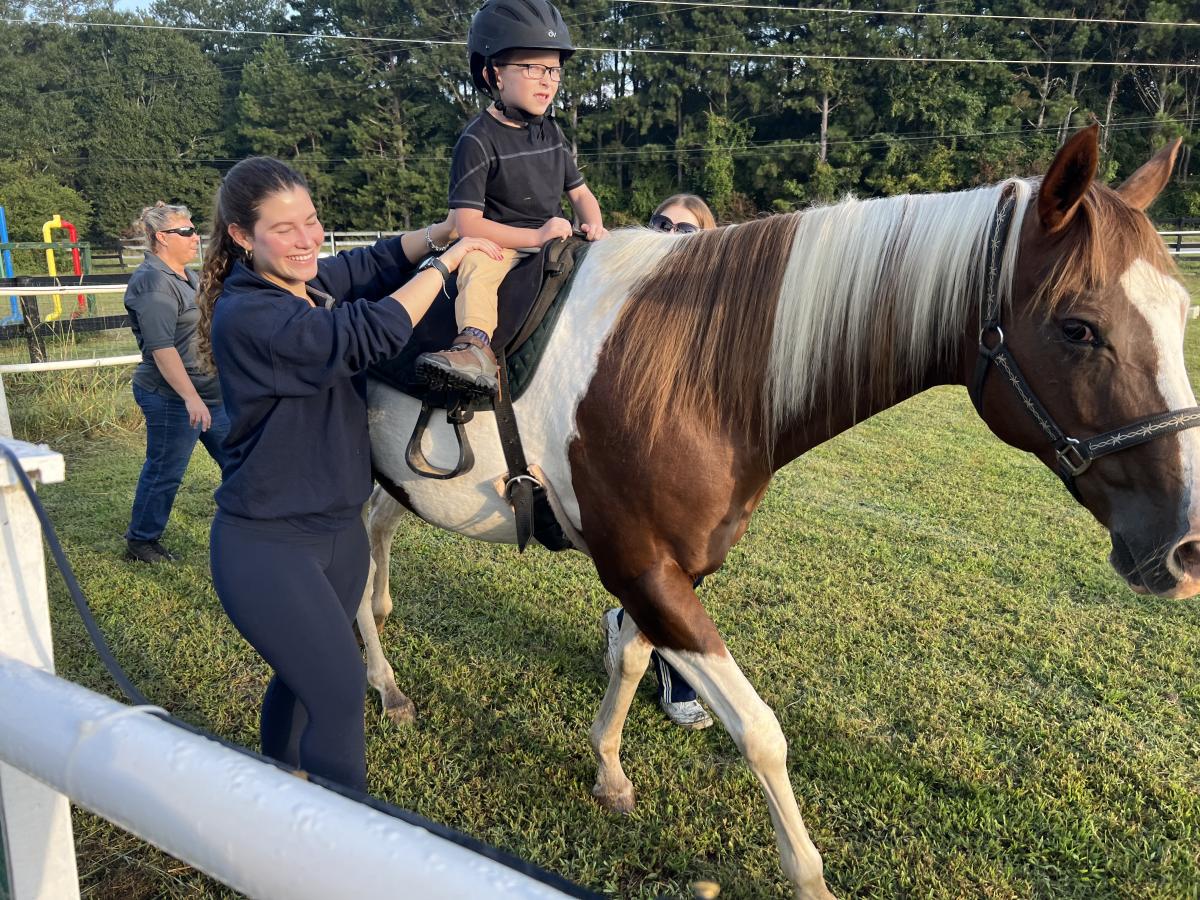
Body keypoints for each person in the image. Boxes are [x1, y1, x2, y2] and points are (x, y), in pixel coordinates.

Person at [196, 157, 501, 792]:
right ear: (242, 236)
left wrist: (439, 233)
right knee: (337, 694)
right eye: (284, 229)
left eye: (311, 221)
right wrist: (448, 266)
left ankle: (276, 802)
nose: (307, 239)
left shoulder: (302, 286)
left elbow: (364, 264)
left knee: (302, 680)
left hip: (340, 534)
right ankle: (346, 855)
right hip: (268, 545)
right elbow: (366, 333)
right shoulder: (250, 313)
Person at [416, 0, 607, 395]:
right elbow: (466, 224)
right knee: (475, 266)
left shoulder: (551, 134)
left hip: (556, 237)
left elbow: (581, 194)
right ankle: (475, 346)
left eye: (553, 69)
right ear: (494, 73)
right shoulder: (477, 140)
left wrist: (594, 223)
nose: (547, 81)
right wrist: (535, 238)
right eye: (533, 68)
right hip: (501, 243)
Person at [602, 193, 718, 730]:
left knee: (687, 565)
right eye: (661, 224)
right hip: (633, 451)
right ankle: (677, 682)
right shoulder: (621, 284)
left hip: (687, 450)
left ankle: (622, 621)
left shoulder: (707, 308)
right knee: (674, 572)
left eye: (685, 232)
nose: (669, 236)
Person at [123, 201, 231, 563]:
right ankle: (141, 541)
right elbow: (161, 348)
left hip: (210, 394)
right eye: (185, 231)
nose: (194, 236)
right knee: (165, 471)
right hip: (172, 396)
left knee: (240, 459)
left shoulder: (189, 276)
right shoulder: (153, 282)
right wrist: (190, 398)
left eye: (193, 229)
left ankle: (254, 525)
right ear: (161, 238)